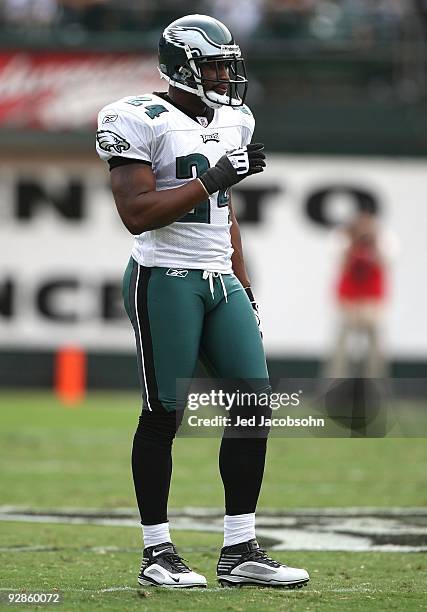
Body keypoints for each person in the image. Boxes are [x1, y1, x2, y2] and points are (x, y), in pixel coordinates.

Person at [96, 13, 309, 589]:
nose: (222, 76)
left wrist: (242, 280)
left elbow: (225, 216)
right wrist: (215, 177)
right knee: (165, 411)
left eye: (226, 65)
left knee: (253, 407)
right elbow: (136, 212)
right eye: (212, 64)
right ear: (181, 65)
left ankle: (240, 549)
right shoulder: (136, 118)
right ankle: (157, 552)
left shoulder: (233, 119)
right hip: (163, 275)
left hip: (219, 278)